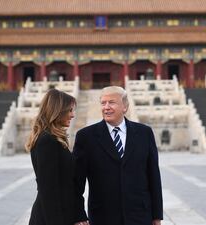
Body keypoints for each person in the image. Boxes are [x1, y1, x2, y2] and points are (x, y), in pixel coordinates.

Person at [74, 86, 163, 225]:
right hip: (102, 216)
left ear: (125, 107)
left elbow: (154, 177)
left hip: (140, 215)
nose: (106, 107)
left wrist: (157, 215)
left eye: (112, 102)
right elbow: (77, 182)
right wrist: (79, 215)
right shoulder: (86, 137)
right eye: (103, 103)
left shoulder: (144, 133)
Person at [26, 89, 76, 225]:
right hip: (51, 217)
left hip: (59, 212)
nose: (72, 115)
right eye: (69, 110)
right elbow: (48, 189)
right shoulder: (47, 141)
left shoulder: (52, 138)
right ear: (58, 111)